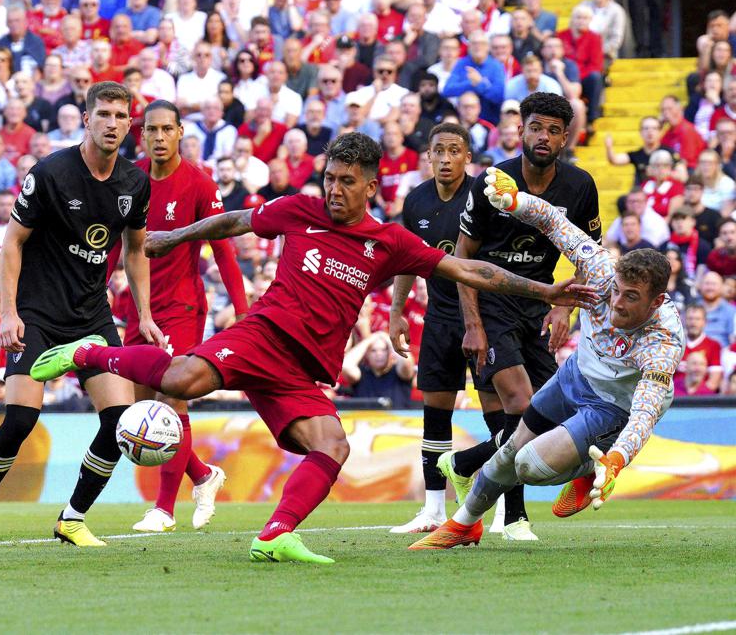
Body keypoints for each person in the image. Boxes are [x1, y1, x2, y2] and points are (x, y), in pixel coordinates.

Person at [29, 131, 594, 563]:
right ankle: (85, 354)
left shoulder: (387, 242)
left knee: (332, 446)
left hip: (304, 371)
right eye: (330, 177)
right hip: (263, 335)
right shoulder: (300, 211)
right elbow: (233, 223)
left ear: (371, 186)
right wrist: (173, 237)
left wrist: (547, 289)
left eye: (347, 181)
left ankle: (275, 535)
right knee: (178, 383)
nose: (334, 189)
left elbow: (472, 270)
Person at [0, 82, 161, 551]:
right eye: (103, 114)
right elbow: (12, 242)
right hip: (36, 314)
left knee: (119, 422)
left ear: (129, 124)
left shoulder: (135, 182)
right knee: (20, 420)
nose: (112, 123)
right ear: (86, 119)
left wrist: (144, 314)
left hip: (91, 315)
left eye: (121, 116)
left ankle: (72, 518)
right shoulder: (50, 173)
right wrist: (8, 313)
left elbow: (136, 249)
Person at [447, 92, 602, 541]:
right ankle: (504, 515)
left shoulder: (579, 186)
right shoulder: (493, 183)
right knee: (519, 405)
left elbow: (588, 255)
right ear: (521, 131)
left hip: (539, 303)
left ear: (565, 138)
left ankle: (462, 464)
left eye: (554, 130)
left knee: (554, 412)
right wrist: (473, 324)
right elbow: (464, 256)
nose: (544, 136)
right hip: (492, 301)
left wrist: (561, 306)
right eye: (537, 127)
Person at [116, 101, 249, 533]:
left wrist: (244, 312)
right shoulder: (130, 179)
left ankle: (164, 510)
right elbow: (118, 245)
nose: (158, 137)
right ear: (143, 135)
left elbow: (224, 249)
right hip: (139, 310)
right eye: (150, 130)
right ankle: (204, 475)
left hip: (182, 308)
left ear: (179, 132)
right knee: (139, 415)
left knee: (169, 403)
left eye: (166, 129)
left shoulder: (198, 182)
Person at [387, 122, 505, 533]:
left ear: (467, 157)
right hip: (438, 317)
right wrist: (397, 310)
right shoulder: (415, 200)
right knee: (434, 415)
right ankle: (434, 509)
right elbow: (405, 258)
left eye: (455, 151)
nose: (446, 158)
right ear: (429, 156)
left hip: (486, 316)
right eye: (439, 151)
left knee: (498, 415)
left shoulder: (483, 197)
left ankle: (506, 508)